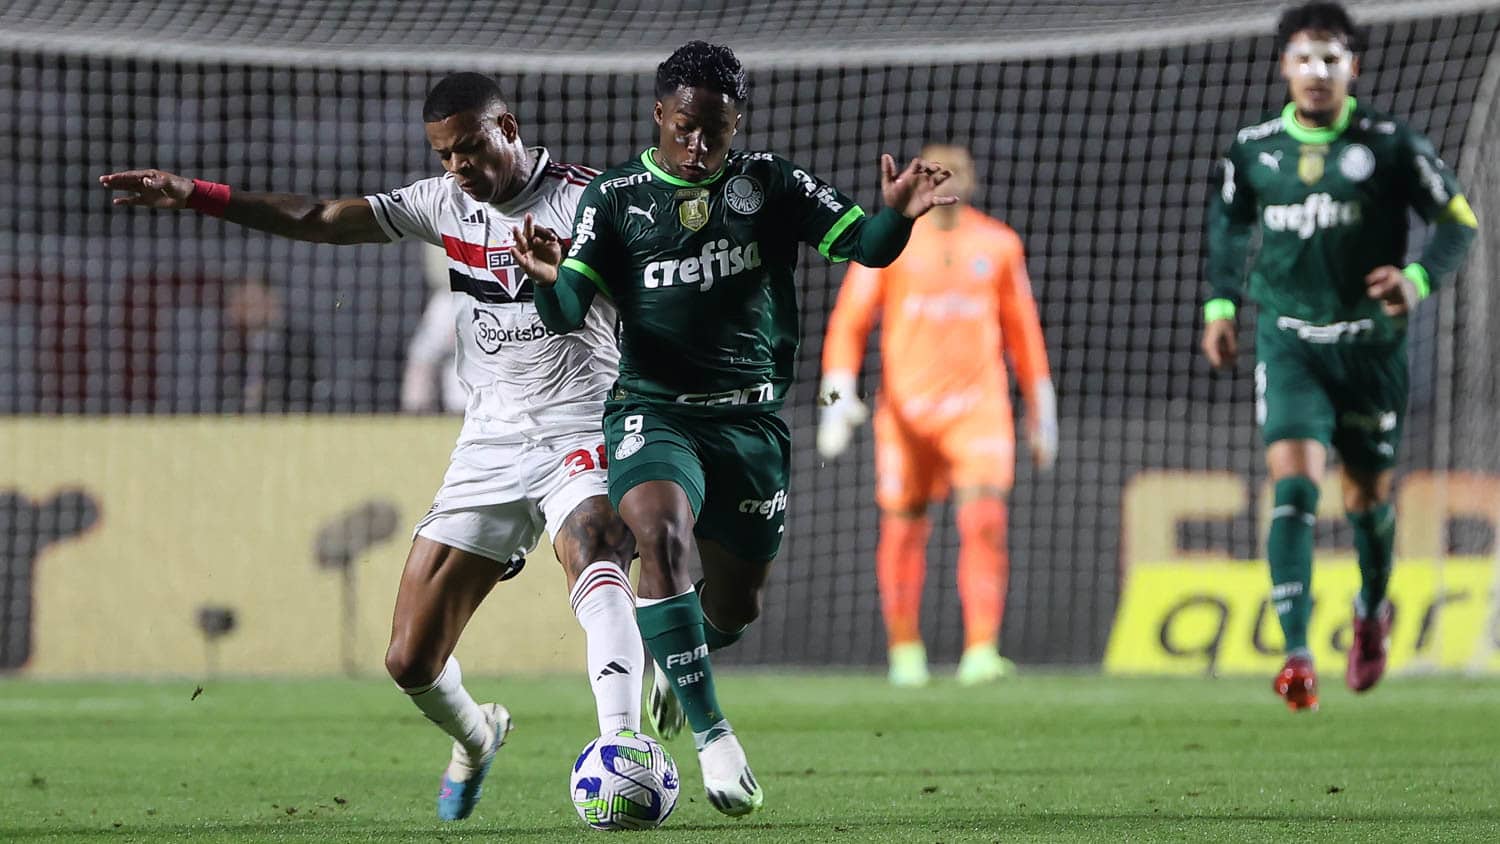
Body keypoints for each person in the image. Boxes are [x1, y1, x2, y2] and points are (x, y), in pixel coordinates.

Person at [100, 73, 644, 820]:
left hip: (582, 425)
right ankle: (479, 736)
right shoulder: (442, 203)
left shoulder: (592, 200)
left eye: (471, 149)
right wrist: (197, 193)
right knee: (409, 660)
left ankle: (625, 747)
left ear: (508, 127)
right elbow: (321, 216)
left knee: (594, 546)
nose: (459, 168)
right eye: (446, 155)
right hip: (487, 443)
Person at [511, 40, 954, 816]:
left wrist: (895, 218)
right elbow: (567, 313)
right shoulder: (614, 198)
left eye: (715, 129)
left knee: (735, 610)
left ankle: (678, 668)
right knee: (660, 533)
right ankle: (716, 738)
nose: (699, 144)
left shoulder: (770, 183)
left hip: (750, 422)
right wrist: (546, 280)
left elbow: (866, 249)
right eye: (685, 126)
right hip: (655, 411)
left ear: (736, 120)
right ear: (658, 114)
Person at [1200, 2, 1477, 711]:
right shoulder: (1254, 149)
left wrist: (1417, 281)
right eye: (1303, 58)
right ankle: (1295, 656)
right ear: (1283, 67)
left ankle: (1372, 610)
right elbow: (1230, 226)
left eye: (1331, 58)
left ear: (1354, 66)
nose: (1317, 72)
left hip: (1370, 349)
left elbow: (1457, 223)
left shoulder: (1390, 144)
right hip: (1290, 342)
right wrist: (1223, 305)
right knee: (1293, 486)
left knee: (1366, 504)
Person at [816, 143, 1057, 688]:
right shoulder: (890, 240)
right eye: (934, 168)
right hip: (905, 415)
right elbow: (849, 323)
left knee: (985, 522)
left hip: (979, 410)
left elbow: (1024, 332)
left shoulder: (998, 244)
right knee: (902, 532)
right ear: (914, 176)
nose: (949, 176)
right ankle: (905, 653)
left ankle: (981, 651)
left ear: (973, 178)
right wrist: (834, 402)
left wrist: (1043, 411)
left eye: (960, 168)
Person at [401, 245, 470, 414]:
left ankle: (420, 409)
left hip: (466, 296)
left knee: (456, 359)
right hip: (446, 295)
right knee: (425, 357)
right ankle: (416, 409)